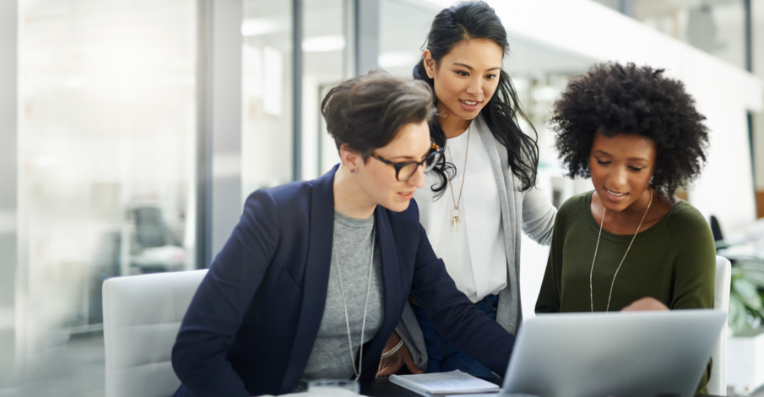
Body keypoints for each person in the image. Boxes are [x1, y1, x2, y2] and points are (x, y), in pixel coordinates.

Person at [170, 71, 517, 397]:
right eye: (403, 164)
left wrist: (531, 365)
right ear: (350, 155)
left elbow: (452, 313)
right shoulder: (278, 215)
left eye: (424, 158)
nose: (419, 179)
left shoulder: (401, 220)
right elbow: (196, 349)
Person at [377, 1, 556, 378]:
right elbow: (368, 242)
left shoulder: (508, 144)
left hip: (488, 324)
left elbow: (546, 226)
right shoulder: (395, 140)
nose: (477, 89)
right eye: (462, 72)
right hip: (412, 327)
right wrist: (391, 334)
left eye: (491, 75)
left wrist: (619, 215)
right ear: (430, 63)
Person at [535, 62, 715, 393]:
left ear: (659, 165)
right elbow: (547, 317)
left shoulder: (687, 231)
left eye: (635, 167)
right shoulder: (571, 215)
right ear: (583, 151)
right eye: (603, 161)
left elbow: (696, 369)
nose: (616, 180)